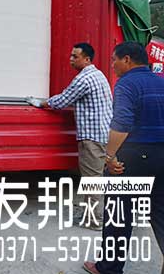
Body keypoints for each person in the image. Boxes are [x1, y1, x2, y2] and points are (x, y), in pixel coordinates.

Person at [84, 41, 164, 274]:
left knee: (119, 213)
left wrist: (109, 157)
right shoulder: (161, 82)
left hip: (134, 157)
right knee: (160, 212)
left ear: (127, 59)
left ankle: (109, 268)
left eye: (114, 60)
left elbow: (122, 124)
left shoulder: (127, 84)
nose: (112, 65)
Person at [27, 43, 113, 230]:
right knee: (95, 177)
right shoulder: (98, 74)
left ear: (87, 59)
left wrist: (39, 102)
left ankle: (95, 221)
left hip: (92, 138)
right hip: (103, 134)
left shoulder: (83, 79)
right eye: (71, 55)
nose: (71, 59)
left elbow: (61, 101)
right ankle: (92, 215)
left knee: (92, 180)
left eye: (75, 56)